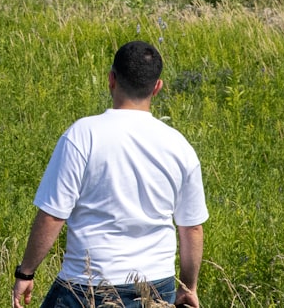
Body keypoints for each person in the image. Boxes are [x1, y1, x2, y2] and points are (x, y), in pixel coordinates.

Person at [11, 40, 208, 308]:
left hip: (86, 287)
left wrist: (26, 272)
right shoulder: (179, 146)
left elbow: (53, 215)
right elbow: (192, 228)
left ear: (111, 79)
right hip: (157, 286)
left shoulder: (82, 135)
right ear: (157, 87)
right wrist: (188, 287)